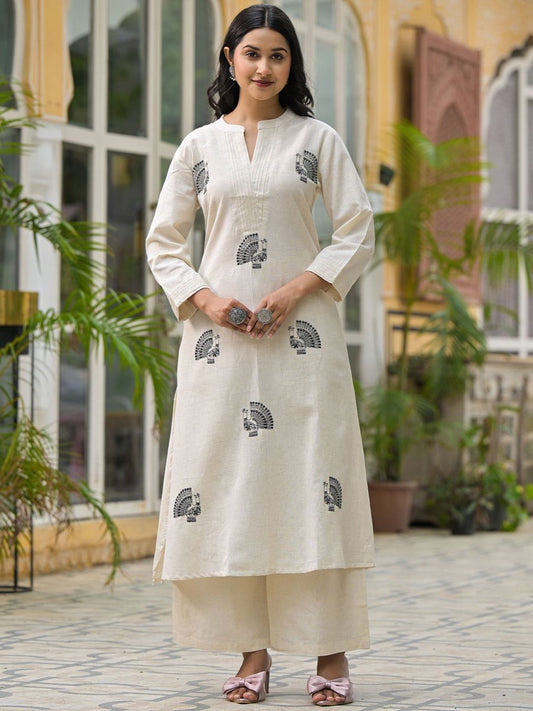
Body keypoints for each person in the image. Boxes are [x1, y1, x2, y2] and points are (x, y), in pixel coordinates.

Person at [146, 4, 375, 706]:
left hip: (302, 344)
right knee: (228, 485)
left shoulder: (317, 139)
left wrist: (299, 287)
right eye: (252, 53)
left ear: (291, 63)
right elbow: (163, 242)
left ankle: (330, 649)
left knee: (312, 482)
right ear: (229, 58)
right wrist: (208, 300)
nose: (264, 67)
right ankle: (252, 649)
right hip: (218, 346)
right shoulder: (198, 148)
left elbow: (357, 229)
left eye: (278, 55)